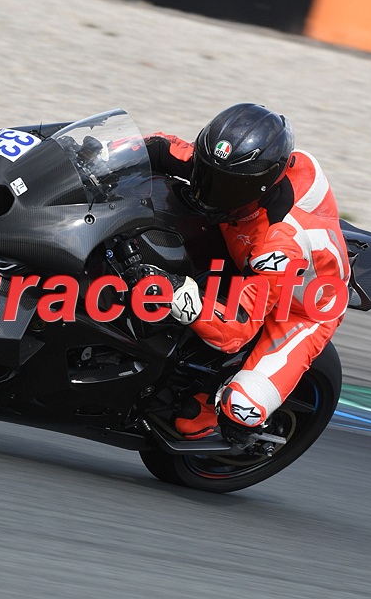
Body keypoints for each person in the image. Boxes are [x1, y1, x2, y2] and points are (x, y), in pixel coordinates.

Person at [142, 103, 351, 442]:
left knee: (240, 410)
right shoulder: (229, 168)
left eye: (229, 188)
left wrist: (181, 295)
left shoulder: (278, 248)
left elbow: (237, 328)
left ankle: (221, 412)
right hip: (242, 249)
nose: (211, 192)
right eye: (208, 175)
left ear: (261, 188)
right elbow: (160, 147)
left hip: (299, 308)